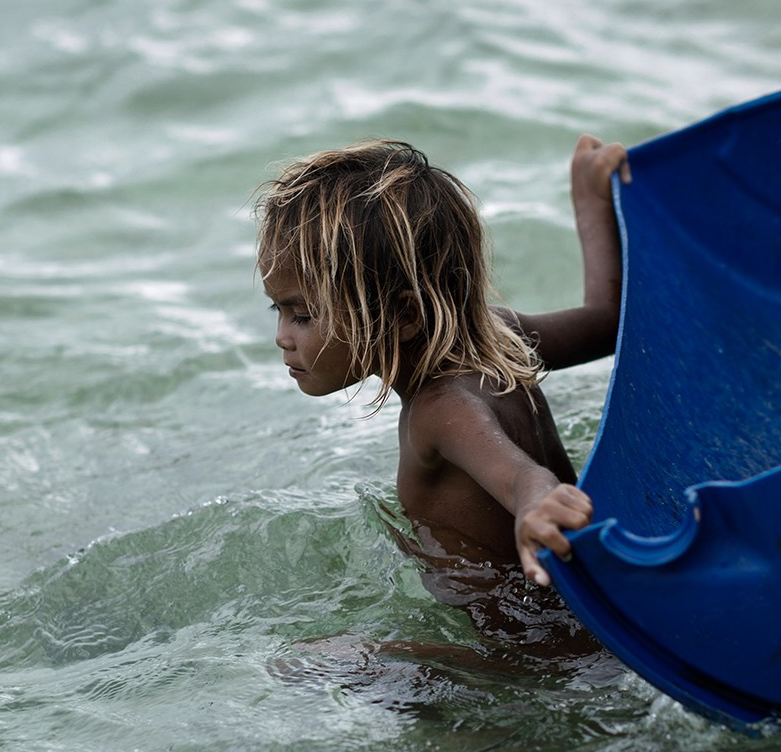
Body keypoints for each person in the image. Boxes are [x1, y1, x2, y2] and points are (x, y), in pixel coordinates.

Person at [255, 135, 629, 591]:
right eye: (279, 310)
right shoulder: (499, 333)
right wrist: (591, 200)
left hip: (521, 655)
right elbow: (610, 321)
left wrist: (536, 506)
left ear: (404, 315)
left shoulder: (441, 409)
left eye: (303, 315)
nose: (282, 337)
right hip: (581, 598)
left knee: (301, 663)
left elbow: (524, 478)